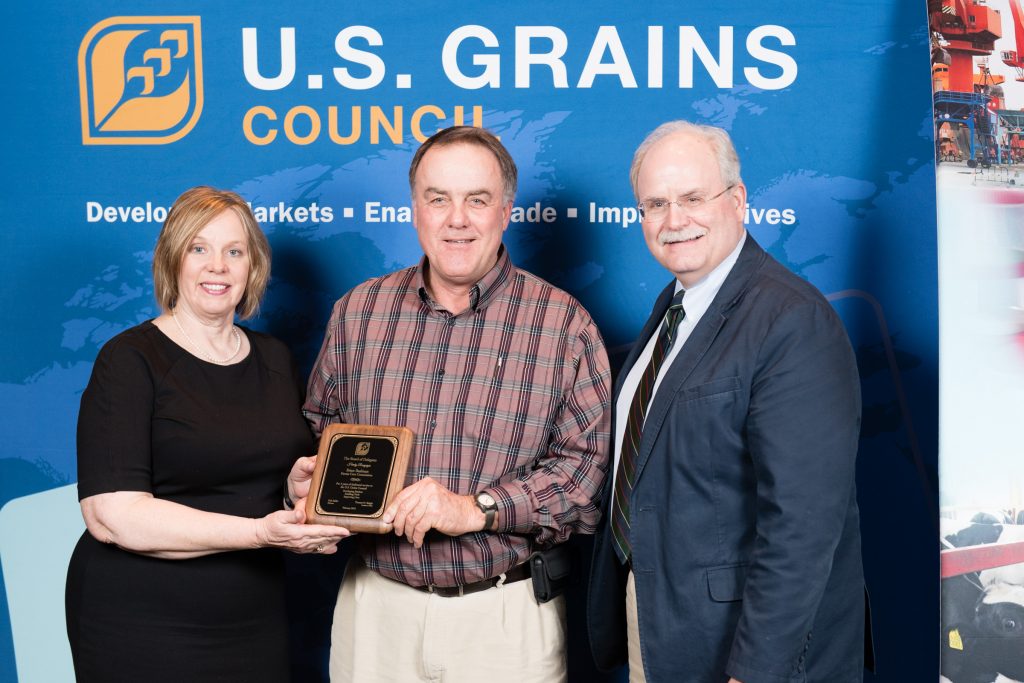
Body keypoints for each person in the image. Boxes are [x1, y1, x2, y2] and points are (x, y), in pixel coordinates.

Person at [304, 125, 612, 683]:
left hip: (504, 617)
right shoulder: (359, 314)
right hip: (376, 610)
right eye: (437, 198)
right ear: (415, 208)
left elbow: (581, 474)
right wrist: (307, 483)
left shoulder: (563, 324)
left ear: (506, 210)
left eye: (477, 199)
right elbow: (320, 436)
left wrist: (476, 508)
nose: (457, 219)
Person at [587, 121, 867, 683]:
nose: (674, 220)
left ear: (737, 201)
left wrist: (756, 671)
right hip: (668, 625)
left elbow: (803, 525)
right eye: (655, 204)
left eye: (693, 198)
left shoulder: (791, 320)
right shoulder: (677, 307)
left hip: (745, 650)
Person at [65, 186, 350, 683]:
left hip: (253, 614)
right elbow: (113, 516)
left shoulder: (274, 358)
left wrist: (296, 489)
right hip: (140, 620)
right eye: (199, 248)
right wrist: (260, 533)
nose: (217, 265)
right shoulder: (130, 360)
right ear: (173, 259)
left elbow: (253, 479)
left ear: (252, 267)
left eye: (233, 251)